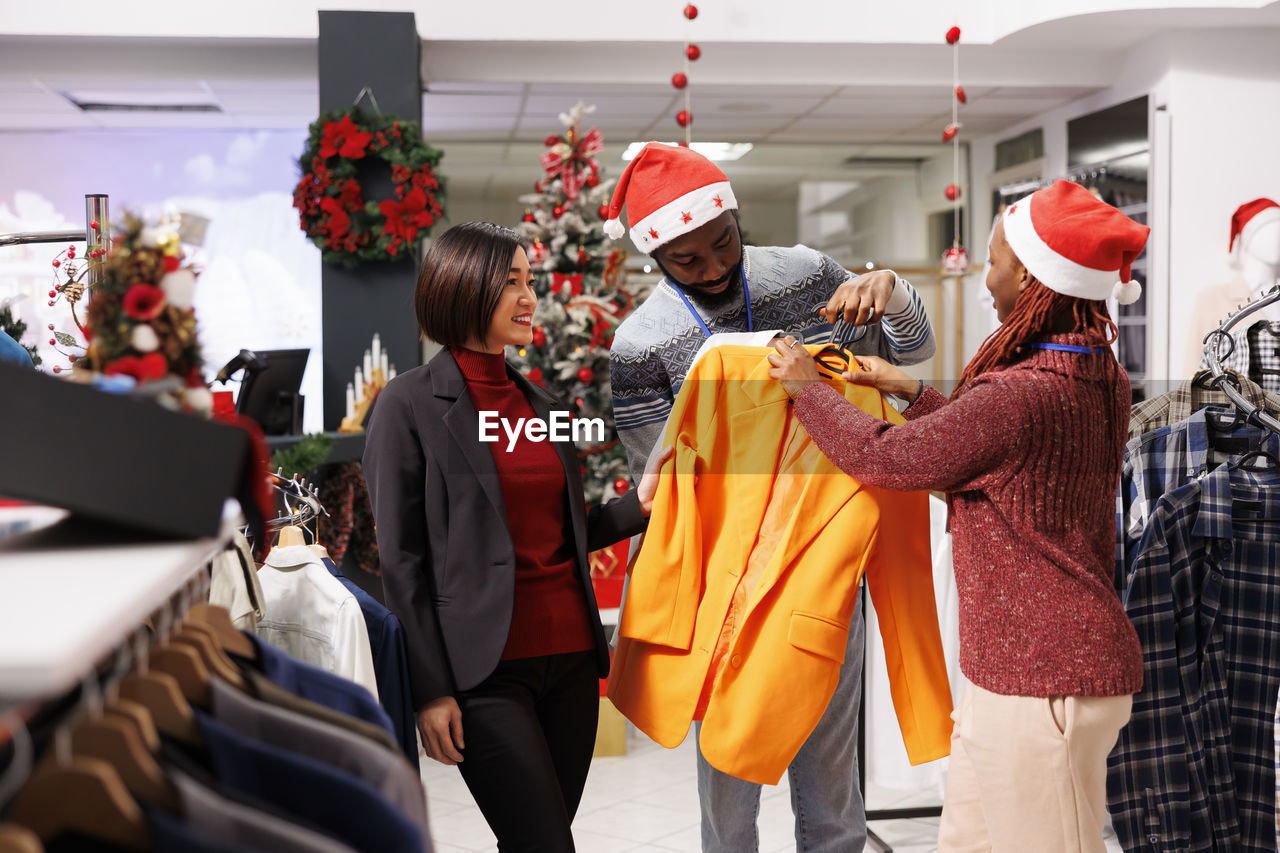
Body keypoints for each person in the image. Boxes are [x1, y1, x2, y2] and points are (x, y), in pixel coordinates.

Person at [767, 179, 1147, 853]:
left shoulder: (1018, 394)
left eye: (995, 261)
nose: (985, 276)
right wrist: (911, 389)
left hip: (1043, 682)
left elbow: (888, 459)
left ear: (1030, 277)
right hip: (1024, 672)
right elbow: (1001, 460)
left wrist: (806, 391)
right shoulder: (1096, 374)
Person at [603, 141, 936, 853]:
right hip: (723, 587)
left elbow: (912, 355)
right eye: (688, 262)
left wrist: (894, 291)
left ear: (735, 216)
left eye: (724, 244)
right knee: (729, 782)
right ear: (654, 258)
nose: (716, 268)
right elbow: (661, 492)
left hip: (824, 564)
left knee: (829, 783)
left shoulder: (808, 274)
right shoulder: (641, 344)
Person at [364, 221, 667, 852]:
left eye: (530, 282)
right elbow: (402, 560)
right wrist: (432, 689)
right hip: (484, 674)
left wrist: (635, 506)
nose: (530, 298)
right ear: (462, 287)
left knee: (536, 840)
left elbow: (562, 530)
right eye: (511, 284)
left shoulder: (540, 400)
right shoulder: (408, 404)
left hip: (575, 663)